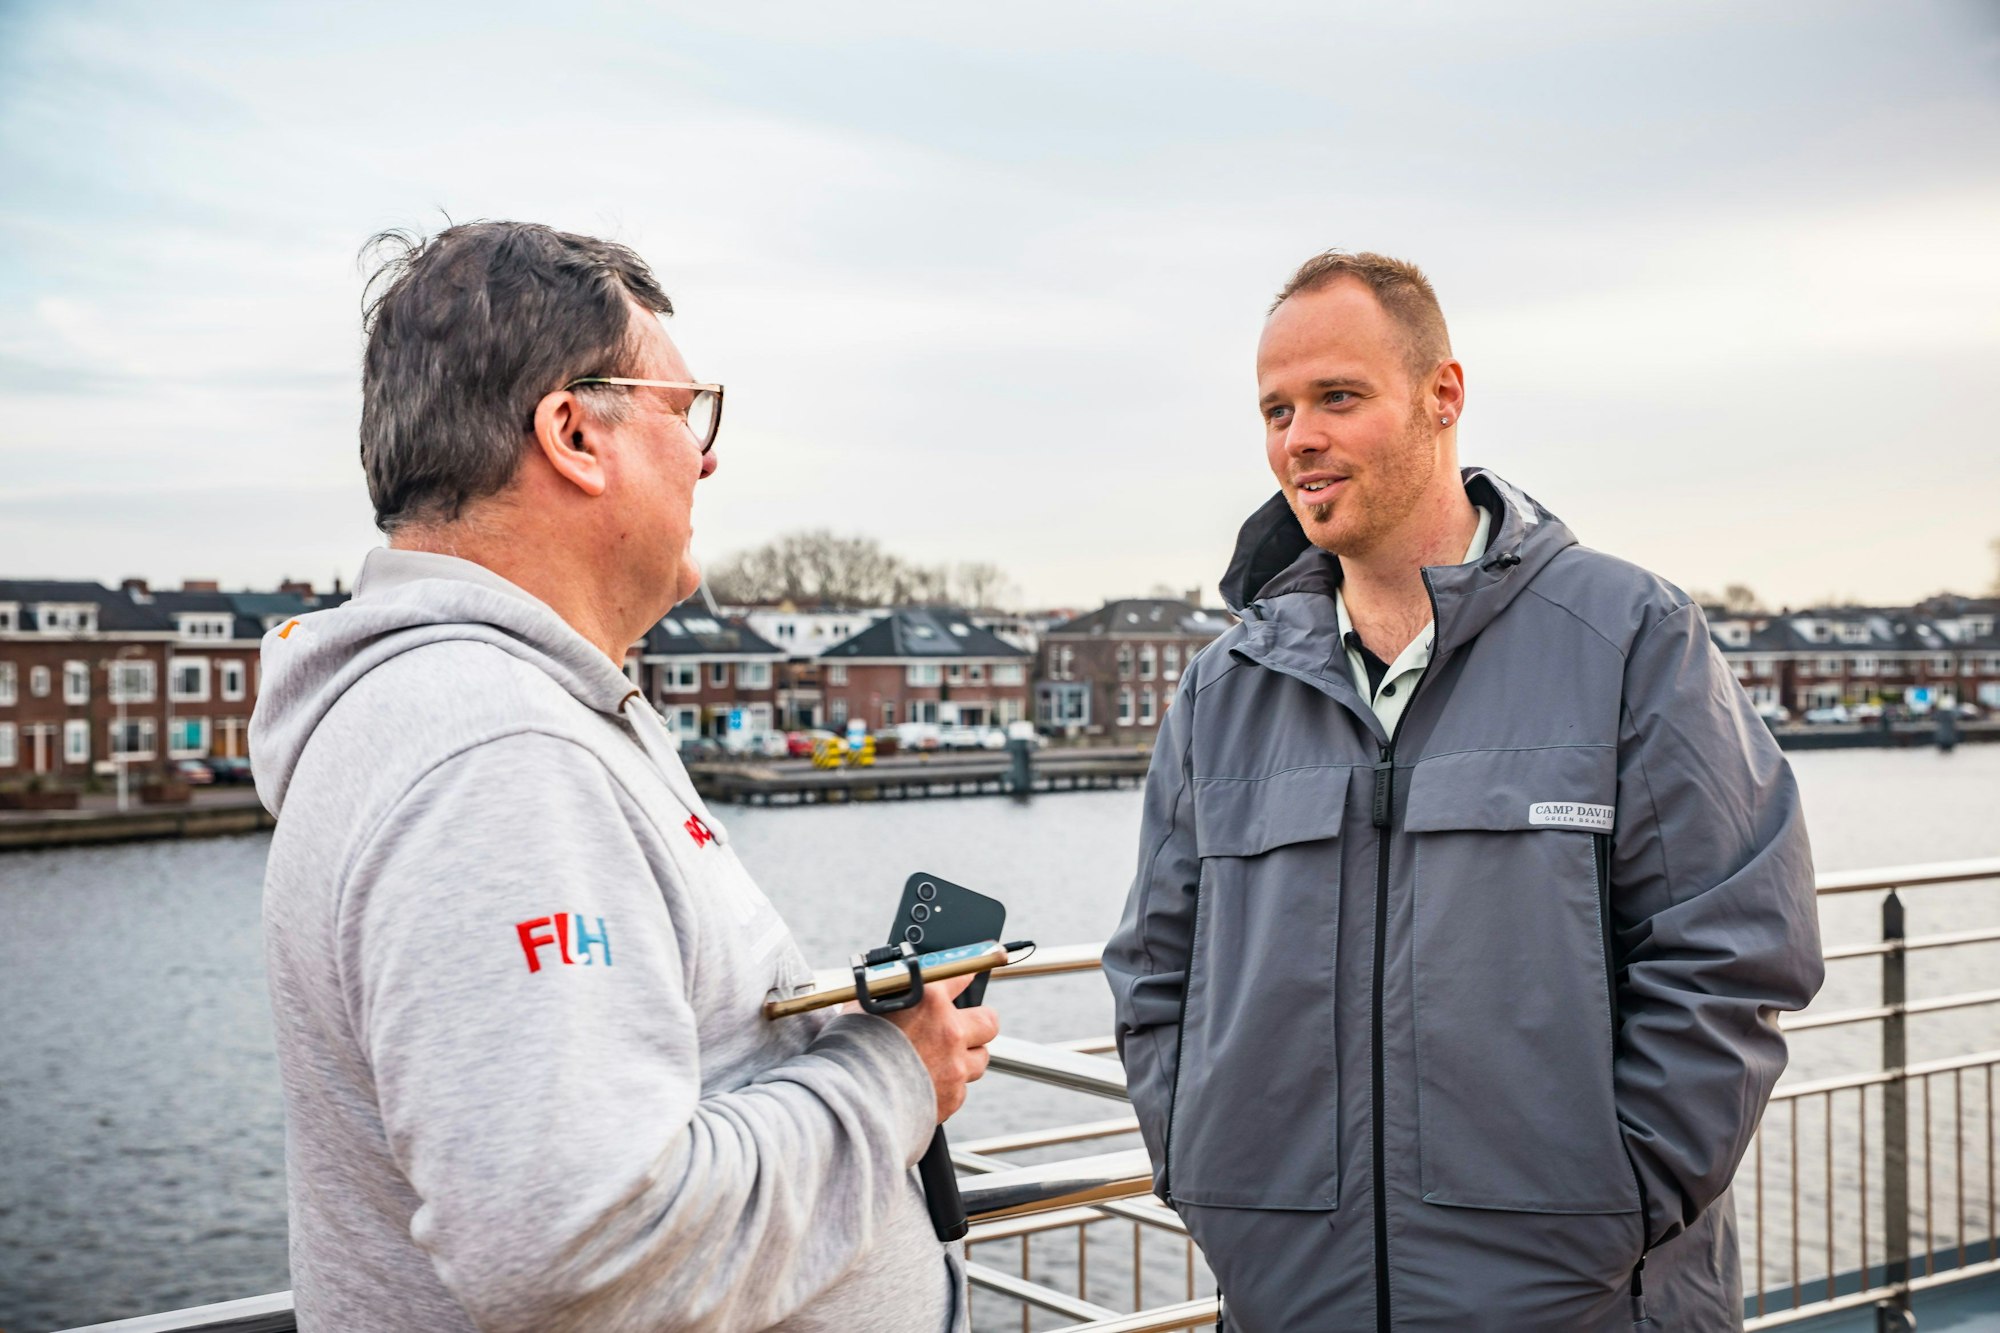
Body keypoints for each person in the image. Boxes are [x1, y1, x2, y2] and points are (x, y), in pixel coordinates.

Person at [253, 221, 996, 1332]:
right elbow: (583, 1247)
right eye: (683, 412)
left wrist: (803, 1031)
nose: (705, 457)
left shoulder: (481, 714)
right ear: (573, 435)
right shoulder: (496, 755)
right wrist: (893, 1075)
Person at [1102, 250, 1823, 1331]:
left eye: (1337, 397)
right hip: (1295, 1301)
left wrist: (1617, 1206)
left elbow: (1731, 951)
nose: (1298, 438)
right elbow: (1156, 975)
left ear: (1443, 394)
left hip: (1579, 1302)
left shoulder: (1629, 637)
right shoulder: (1222, 690)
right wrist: (1214, 1189)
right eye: (1276, 410)